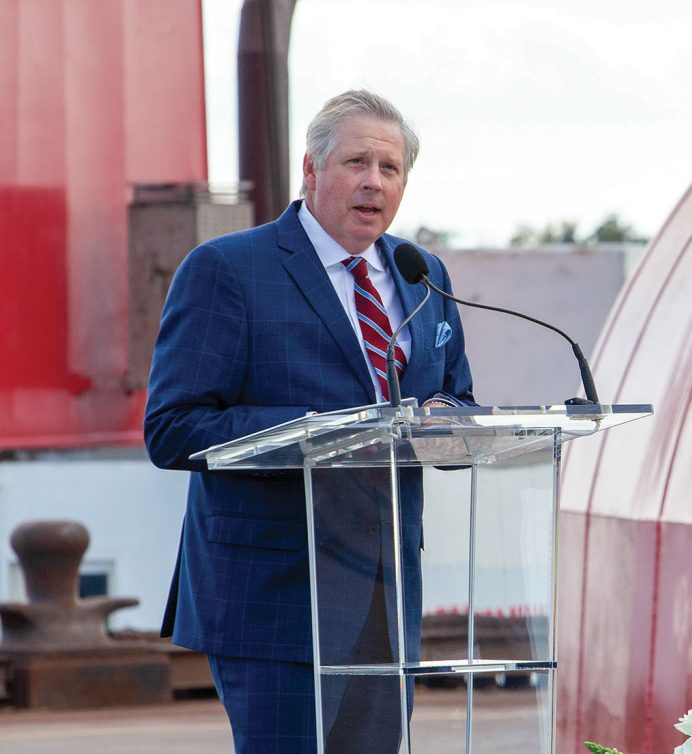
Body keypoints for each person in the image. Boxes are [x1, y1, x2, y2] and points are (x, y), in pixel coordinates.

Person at [144, 90, 474, 753]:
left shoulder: (421, 275)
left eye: (391, 169)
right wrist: (320, 429)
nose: (374, 182)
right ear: (312, 169)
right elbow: (173, 427)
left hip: (385, 594)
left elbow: (457, 399)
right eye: (357, 162)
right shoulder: (229, 270)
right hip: (273, 596)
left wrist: (445, 418)